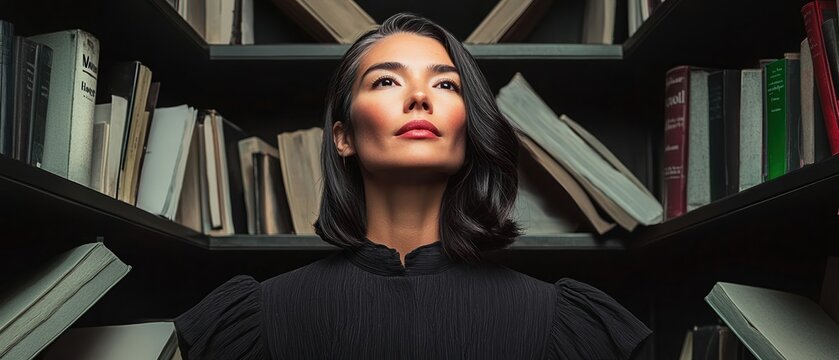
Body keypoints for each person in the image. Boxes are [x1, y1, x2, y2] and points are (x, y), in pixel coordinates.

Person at [174, 12, 651, 359]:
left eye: (446, 85)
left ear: (470, 128)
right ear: (343, 138)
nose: (420, 96)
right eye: (385, 81)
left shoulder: (565, 324)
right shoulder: (250, 323)